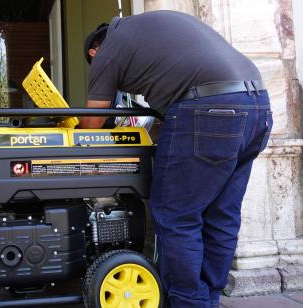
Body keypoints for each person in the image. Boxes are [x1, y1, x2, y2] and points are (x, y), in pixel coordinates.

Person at [81, 11, 273, 308]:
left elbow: (91, 126)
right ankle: (207, 298)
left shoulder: (107, 51)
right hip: (258, 107)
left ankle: (188, 302)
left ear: (94, 51)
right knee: (221, 215)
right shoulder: (147, 29)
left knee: (176, 214)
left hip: (207, 110)